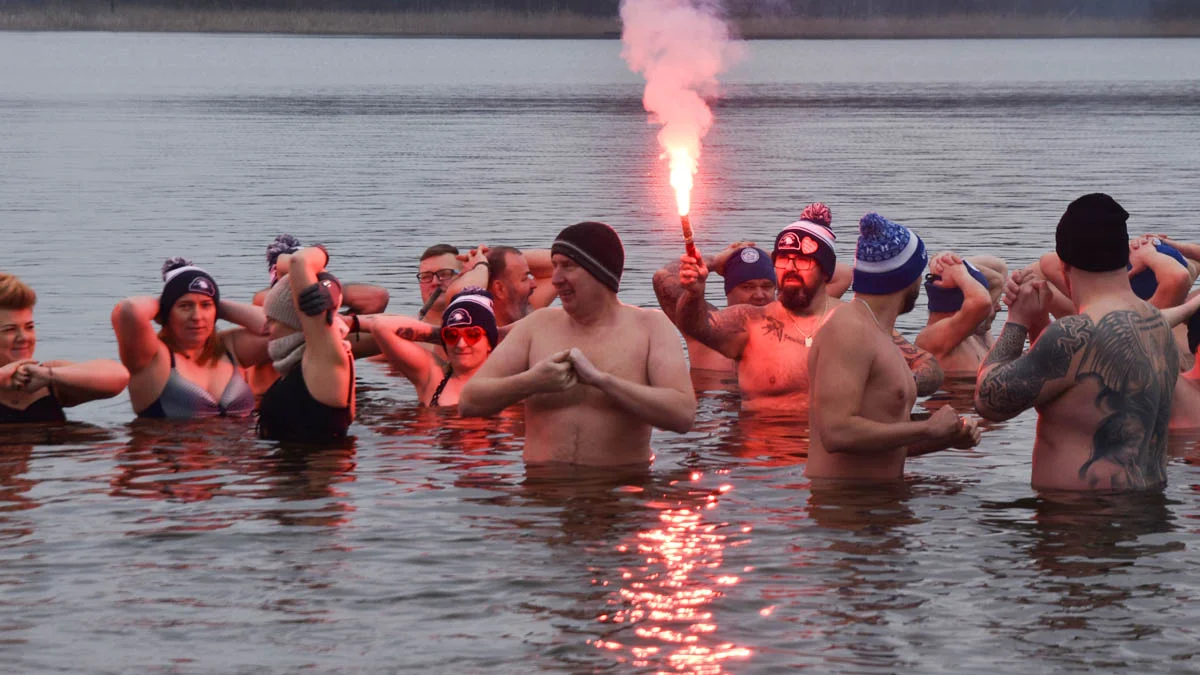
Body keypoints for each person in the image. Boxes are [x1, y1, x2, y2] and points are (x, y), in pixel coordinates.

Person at [975, 194, 1180, 492]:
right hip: (1150, 507)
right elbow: (1064, 390)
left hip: (1081, 523)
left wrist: (1017, 320)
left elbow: (989, 400)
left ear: (1063, 263)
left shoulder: (1078, 331)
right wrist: (1038, 324)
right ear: (1125, 257)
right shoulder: (1157, 324)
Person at [459, 221, 695, 465]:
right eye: (555, 266)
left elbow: (683, 415)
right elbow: (469, 401)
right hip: (541, 494)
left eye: (568, 266)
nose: (556, 279)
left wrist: (603, 382)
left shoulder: (650, 327)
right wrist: (531, 382)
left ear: (599, 272)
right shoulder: (537, 325)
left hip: (621, 492)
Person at [807, 213, 980, 482]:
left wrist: (945, 439)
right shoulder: (848, 329)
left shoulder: (878, 334)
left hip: (880, 508)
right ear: (907, 279)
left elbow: (879, 443)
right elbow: (836, 432)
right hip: (843, 510)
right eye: (920, 275)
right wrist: (927, 428)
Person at [112, 259, 266, 419]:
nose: (197, 317)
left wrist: (217, 303)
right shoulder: (153, 358)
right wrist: (167, 301)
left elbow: (277, 328)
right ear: (167, 313)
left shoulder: (230, 348)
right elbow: (128, 310)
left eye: (206, 306)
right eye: (185, 306)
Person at [257, 246, 355, 442]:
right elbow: (286, 262)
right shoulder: (299, 363)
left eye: (273, 320)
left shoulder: (323, 360)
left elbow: (298, 262)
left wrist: (328, 273)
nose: (264, 328)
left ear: (298, 321)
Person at [0, 273, 128, 423]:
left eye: (29, 327)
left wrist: (49, 375)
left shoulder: (45, 377)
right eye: (9, 329)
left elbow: (119, 376)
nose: (24, 338)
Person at [653, 242, 776, 373]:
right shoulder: (704, 326)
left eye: (767, 286)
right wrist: (715, 261)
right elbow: (662, 277)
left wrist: (778, 258)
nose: (759, 295)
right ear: (729, 291)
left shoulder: (791, 327)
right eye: (747, 287)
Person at [364, 289, 498, 408]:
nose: (461, 344)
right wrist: (438, 333)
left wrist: (499, 333)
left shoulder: (507, 380)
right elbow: (381, 326)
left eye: (473, 334)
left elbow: (519, 331)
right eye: (451, 335)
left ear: (490, 343)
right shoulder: (433, 377)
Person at [915, 252, 1007, 377]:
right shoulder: (933, 338)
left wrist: (943, 260)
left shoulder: (975, 332)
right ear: (965, 303)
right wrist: (960, 273)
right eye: (994, 302)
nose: (998, 308)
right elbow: (981, 303)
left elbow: (999, 269)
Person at [444, 244, 558, 326]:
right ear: (500, 289)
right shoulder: (469, 323)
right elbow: (460, 295)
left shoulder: (522, 309)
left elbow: (557, 267)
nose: (533, 284)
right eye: (525, 278)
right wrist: (481, 264)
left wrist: (489, 257)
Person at [416, 244, 463, 326]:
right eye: (426, 276)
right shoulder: (403, 328)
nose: (435, 282)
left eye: (445, 274)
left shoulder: (483, 326)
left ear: (463, 277)